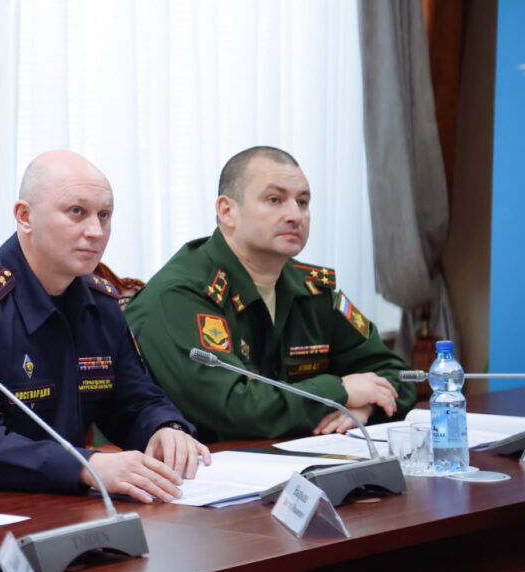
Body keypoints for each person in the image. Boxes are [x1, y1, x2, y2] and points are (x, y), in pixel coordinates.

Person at [0, 150, 211, 504]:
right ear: (25, 217)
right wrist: (86, 465)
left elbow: (135, 400)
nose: (96, 231)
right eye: (77, 212)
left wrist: (165, 428)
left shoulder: (100, 304)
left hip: (54, 500)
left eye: (104, 215)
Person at [125, 146, 415, 442]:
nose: (295, 215)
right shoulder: (180, 294)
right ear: (227, 211)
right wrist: (339, 392)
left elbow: (398, 374)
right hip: (208, 464)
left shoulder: (313, 290)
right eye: (274, 200)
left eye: (303, 202)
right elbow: (234, 409)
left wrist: (365, 408)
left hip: (301, 457)